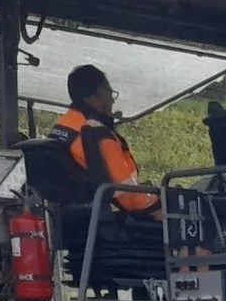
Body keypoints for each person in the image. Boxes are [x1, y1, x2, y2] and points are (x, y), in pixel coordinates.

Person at [49, 64, 158, 214]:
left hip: (74, 216)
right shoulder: (97, 131)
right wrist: (159, 199)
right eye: (110, 93)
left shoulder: (63, 126)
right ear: (100, 93)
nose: (113, 101)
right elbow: (127, 197)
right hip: (114, 221)